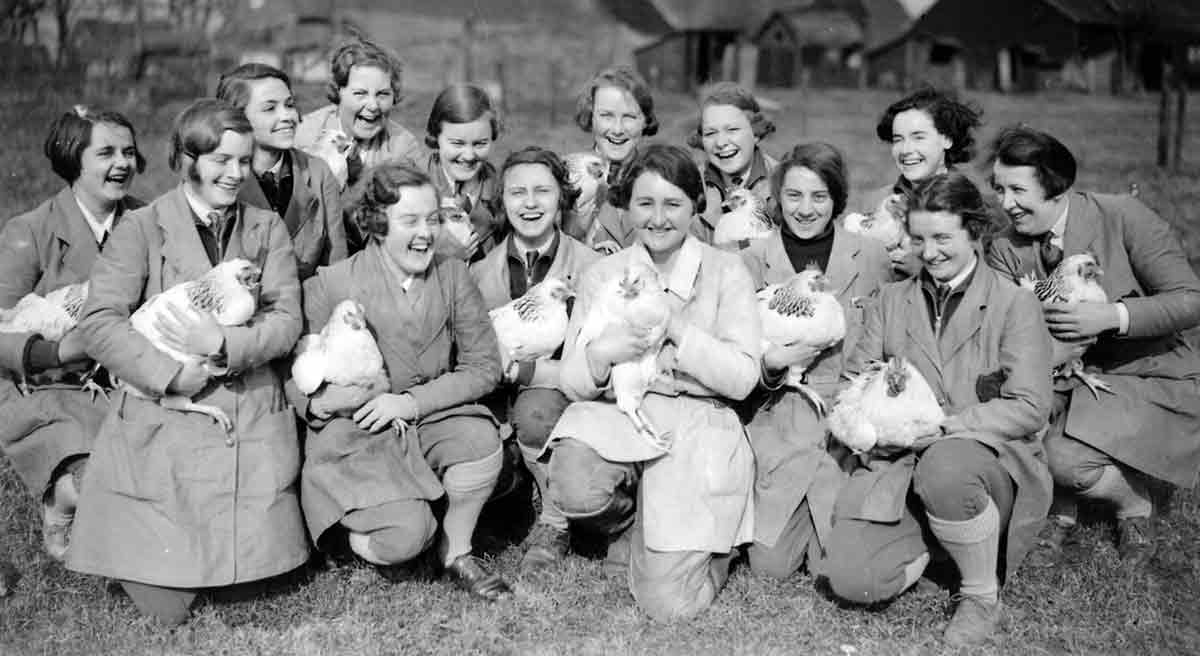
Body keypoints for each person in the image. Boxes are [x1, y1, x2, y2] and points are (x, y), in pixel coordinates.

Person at [68, 99, 308, 626]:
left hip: (244, 398)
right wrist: (169, 373)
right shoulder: (143, 227)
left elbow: (287, 320)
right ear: (185, 159)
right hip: (169, 402)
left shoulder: (266, 228)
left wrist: (225, 344)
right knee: (169, 602)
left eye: (244, 161)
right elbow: (99, 321)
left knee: (246, 577)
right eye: (221, 160)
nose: (235, 173)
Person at [823, 172, 1053, 647]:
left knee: (946, 467)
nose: (929, 253)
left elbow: (1030, 407)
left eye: (943, 238)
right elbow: (851, 383)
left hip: (983, 465)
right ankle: (945, 548)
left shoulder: (1013, 305)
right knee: (853, 580)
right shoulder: (891, 300)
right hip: (900, 464)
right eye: (920, 239)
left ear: (976, 231)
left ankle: (980, 594)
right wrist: (865, 428)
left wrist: (947, 426)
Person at [545, 143, 759, 620]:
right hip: (624, 414)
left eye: (673, 204)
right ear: (626, 205)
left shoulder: (727, 271)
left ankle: (714, 548)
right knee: (574, 482)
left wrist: (677, 327)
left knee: (669, 607)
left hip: (697, 421)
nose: (658, 218)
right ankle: (628, 525)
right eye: (645, 203)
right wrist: (600, 353)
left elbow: (743, 379)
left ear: (694, 205)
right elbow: (575, 384)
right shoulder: (605, 274)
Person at [289, 162, 511, 601]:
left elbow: (484, 366)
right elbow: (293, 376)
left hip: (424, 415)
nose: (426, 233)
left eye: (433, 219)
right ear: (375, 223)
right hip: (358, 433)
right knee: (407, 537)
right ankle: (351, 545)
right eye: (410, 221)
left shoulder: (452, 274)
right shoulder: (332, 283)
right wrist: (319, 405)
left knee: (480, 441)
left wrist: (409, 402)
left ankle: (456, 549)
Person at [985, 125, 1200, 567]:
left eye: (1017, 190)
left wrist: (1112, 317)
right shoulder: (1005, 247)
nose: (1006, 204)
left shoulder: (1123, 216)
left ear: (1057, 187)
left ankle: (1134, 504)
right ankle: (1059, 513)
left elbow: (1190, 300)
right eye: (998, 189)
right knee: (1017, 435)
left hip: (1138, 373)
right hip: (1054, 373)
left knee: (1061, 460)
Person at [737, 142, 892, 579]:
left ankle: (840, 522)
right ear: (777, 198)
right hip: (780, 419)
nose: (805, 209)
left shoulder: (872, 255)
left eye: (819, 196)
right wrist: (771, 364)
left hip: (848, 424)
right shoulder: (751, 260)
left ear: (837, 200)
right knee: (770, 568)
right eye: (794, 196)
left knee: (836, 567)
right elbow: (737, 358)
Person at [0, 107, 144, 561]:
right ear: (71, 161)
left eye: (129, 152)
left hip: (128, 374)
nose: (122, 163)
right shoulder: (29, 231)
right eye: (105, 153)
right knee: (89, 474)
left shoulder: (149, 220)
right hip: (46, 380)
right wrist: (60, 350)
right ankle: (61, 504)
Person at [469, 146, 600, 570]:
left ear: (562, 197)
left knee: (536, 411)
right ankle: (502, 504)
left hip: (558, 396)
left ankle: (555, 521)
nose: (529, 203)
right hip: (493, 394)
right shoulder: (477, 272)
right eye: (517, 193)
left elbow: (596, 363)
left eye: (542, 191)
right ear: (501, 201)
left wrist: (529, 371)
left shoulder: (591, 268)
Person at [216, 62, 346, 281]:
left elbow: (337, 267)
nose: (287, 116)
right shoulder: (217, 180)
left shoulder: (318, 172)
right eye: (270, 108)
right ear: (236, 118)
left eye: (290, 104)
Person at [295, 37, 423, 252]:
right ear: (339, 92)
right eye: (360, 93)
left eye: (383, 94)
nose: (372, 105)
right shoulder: (306, 133)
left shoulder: (402, 145)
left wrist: (360, 178)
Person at [857, 88, 984, 277]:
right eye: (898, 139)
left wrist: (927, 272)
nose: (906, 149)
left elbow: (986, 284)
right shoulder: (876, 201)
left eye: (918, 137)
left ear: (947, 139)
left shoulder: (975, 205)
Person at [564, 66, 658, 253]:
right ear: (591, 117)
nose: (617, 129)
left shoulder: (663, 177)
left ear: (645, 120)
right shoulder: (564, 175)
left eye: (629, 117)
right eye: (606, 116)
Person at [688, 82, 778, 247]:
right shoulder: (689, 185)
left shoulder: (782, 181)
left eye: (732, 130)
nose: (721, 142)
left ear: (756, 133)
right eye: (710, 133)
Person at [422, 84, 505, 262]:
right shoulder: (413, 186)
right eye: (458, 143)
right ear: (436, 136)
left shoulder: (502, 191)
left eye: (480, 144)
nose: (469, 156)